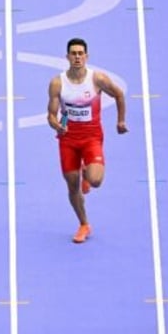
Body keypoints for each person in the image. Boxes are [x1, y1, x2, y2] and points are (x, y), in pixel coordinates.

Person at [47, 38, 127, 243]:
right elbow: (51, 115)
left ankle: (86, 172)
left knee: (96, 180)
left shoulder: (97, 79)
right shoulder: (57, 83)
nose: (77, 57)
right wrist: (56, 125)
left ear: (86, 57)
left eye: (80, 53)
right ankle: (84, 224)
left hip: (91, 137)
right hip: (68, 139)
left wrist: (120, 121)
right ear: (67, 57)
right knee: (72, 186)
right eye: (73, 53)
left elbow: (118, 95)